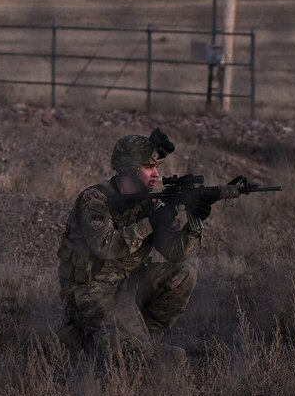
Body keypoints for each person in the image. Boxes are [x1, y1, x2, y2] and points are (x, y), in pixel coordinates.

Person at [57, 127, 213, 359]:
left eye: (157, 168)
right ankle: (82, 339)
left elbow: (175, 252)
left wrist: (195, 221)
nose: (156, 175)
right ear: (130, 169)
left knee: (184, 273)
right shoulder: (96, 200)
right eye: (149, 167)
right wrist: (150, 222)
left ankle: (141, 341)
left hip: (128, 285)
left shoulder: (149, 203)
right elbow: (106, 247)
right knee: (142, 357)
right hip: (92, 290)